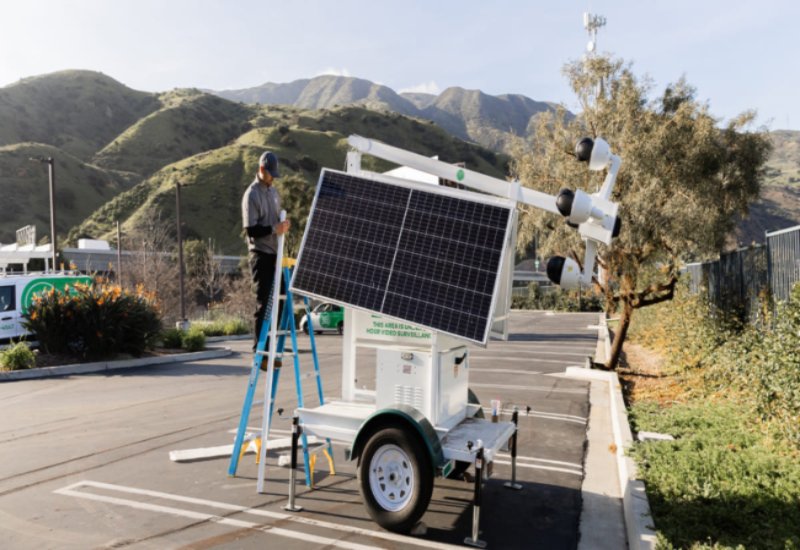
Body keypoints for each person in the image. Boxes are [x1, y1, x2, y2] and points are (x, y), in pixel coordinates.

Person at [241, 151, 290, 368]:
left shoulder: (274, 193)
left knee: (278, 302)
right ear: (262, 170)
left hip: (276, 254)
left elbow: (276, 223)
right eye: (271, 174)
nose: (273, 178)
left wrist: (283, 227)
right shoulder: (251, 195)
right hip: (260, 254)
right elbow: (251, 230)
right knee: (264, 303)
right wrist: (274, 228)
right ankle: (258, 353)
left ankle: (271, 351)